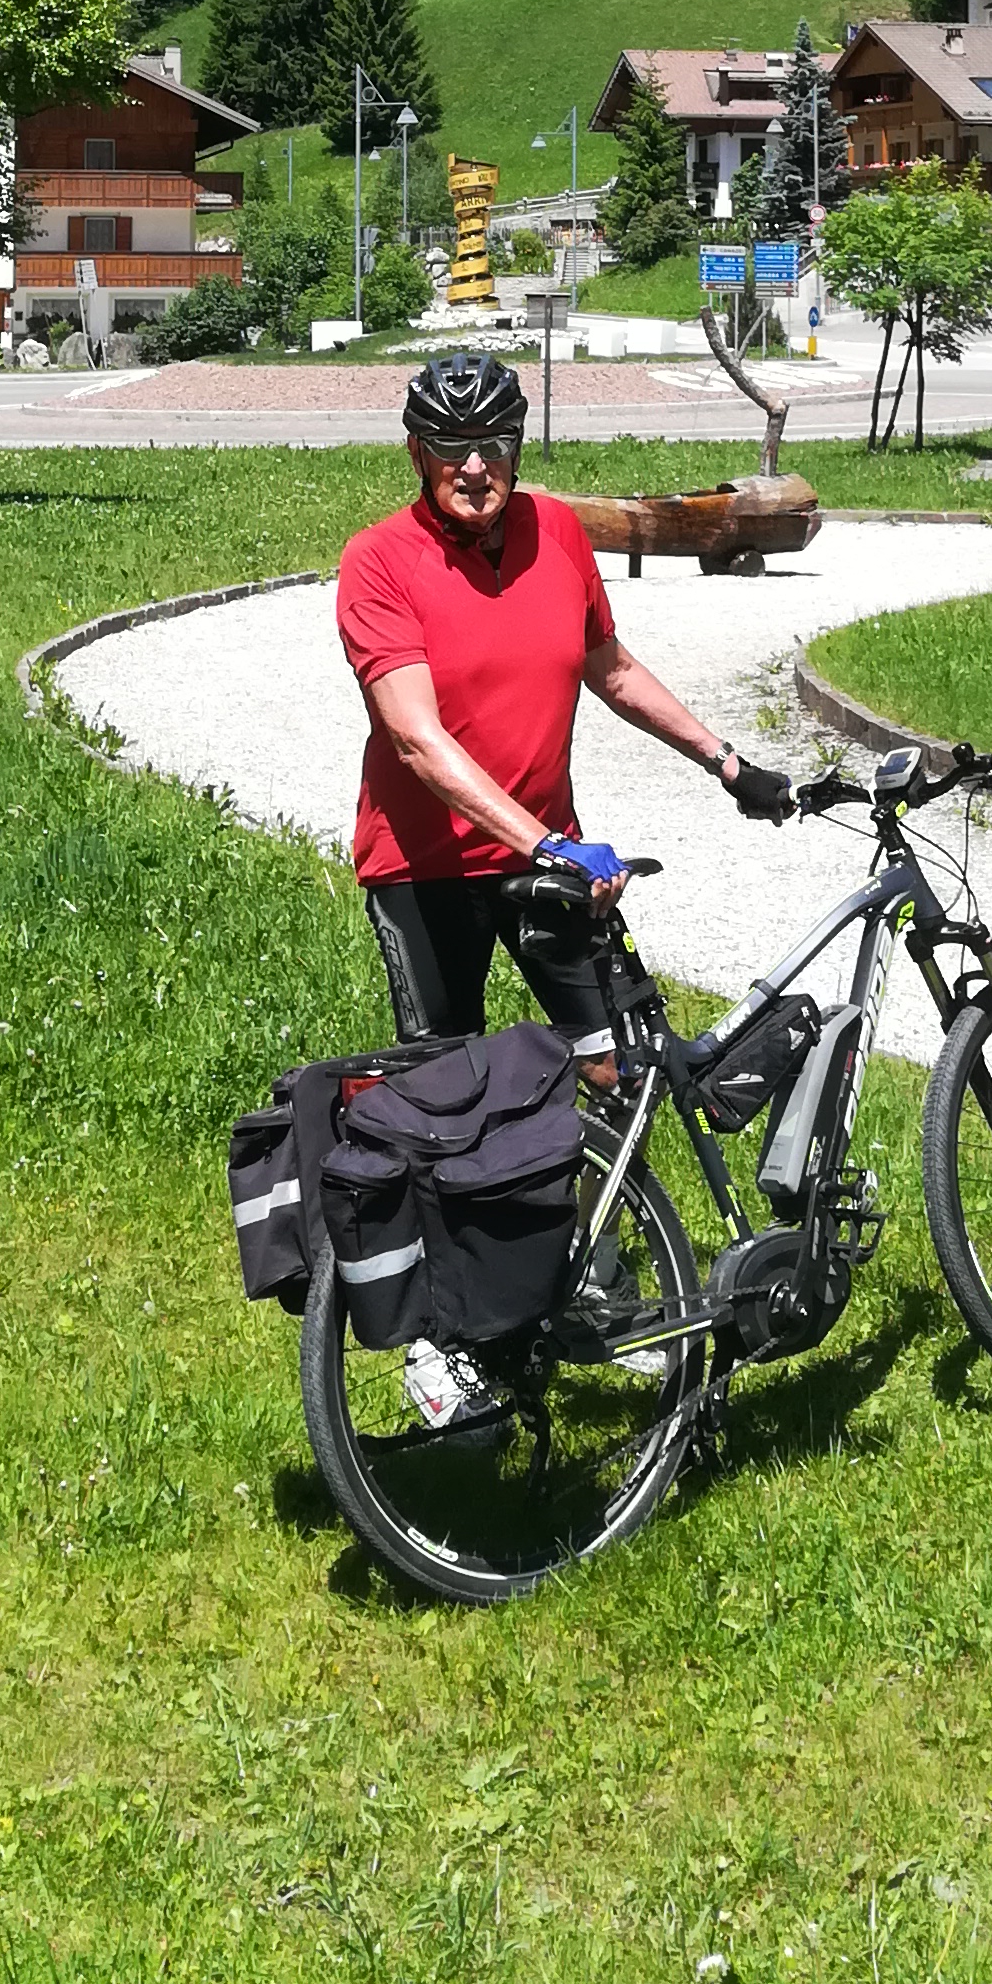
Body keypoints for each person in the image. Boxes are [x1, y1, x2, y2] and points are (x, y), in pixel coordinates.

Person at [335, 345, 797, 1426]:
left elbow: (610, 666)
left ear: (518, 445)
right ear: (418, 453)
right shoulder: (379, 561)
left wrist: (725, 759)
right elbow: (417, 739)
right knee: (446, 1107)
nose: (474, 467)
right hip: (428, 870)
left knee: (616, 1072)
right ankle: (447, 1340)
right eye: (451, 447)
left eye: (493, 443)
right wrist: (545, 842)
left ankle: (588, 1272)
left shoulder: (556, 534)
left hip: (549, 863)